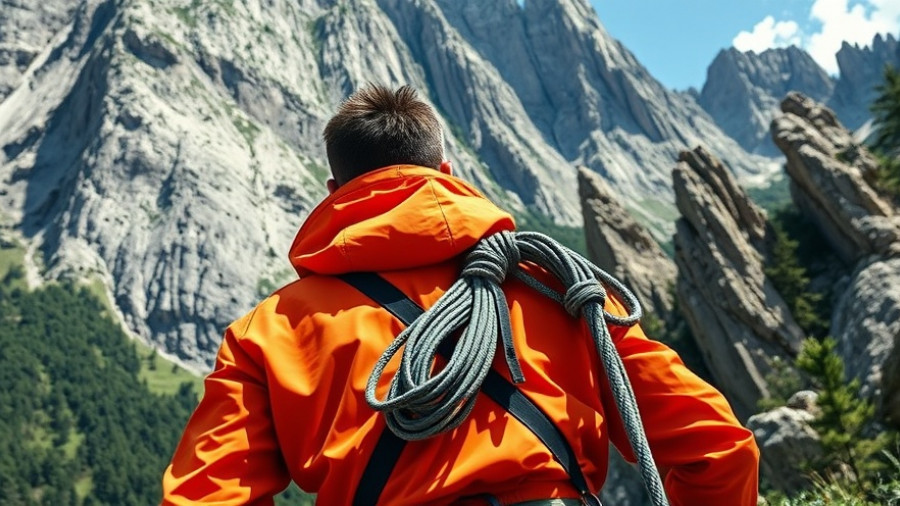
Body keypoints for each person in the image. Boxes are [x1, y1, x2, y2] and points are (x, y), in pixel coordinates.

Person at [162, 84, 759, 505]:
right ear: (447, 173)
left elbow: (205, 498)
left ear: (332, 191)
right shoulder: (554, 287)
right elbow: (719, 445)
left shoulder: (269, 332)